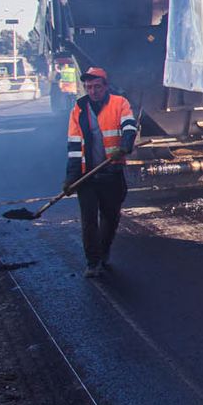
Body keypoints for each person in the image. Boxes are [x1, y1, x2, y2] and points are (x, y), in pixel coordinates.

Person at [66, 67, 137, 277]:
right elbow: (73, 146)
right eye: (89, 87)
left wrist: (124, 146)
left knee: (111, 218)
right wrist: (71, 178)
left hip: (111, 173)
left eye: (97, 86)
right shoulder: (78, 110)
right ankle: (92, 262)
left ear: (105, 86)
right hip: (86, 175)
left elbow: (130, 127)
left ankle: (104, 251)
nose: (93, 91)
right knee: (89, 221)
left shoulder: (119, 103)